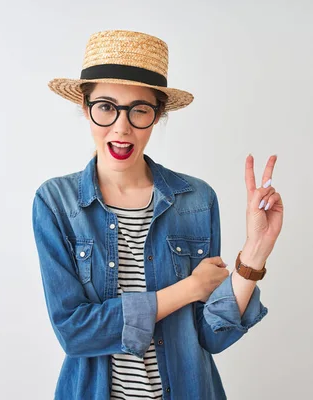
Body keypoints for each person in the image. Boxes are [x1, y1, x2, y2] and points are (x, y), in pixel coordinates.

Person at [32, 30, 284, 400]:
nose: (122, 127)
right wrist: (188, 289)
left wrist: (255, 253)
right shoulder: (57, 202)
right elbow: (74, 331)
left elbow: (211, 336)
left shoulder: (196, 199)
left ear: (157, 115)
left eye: (139, 110)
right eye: (105, 106)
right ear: (86, 108)